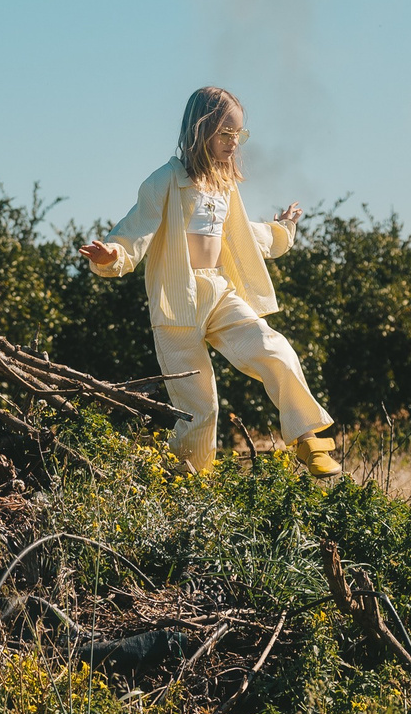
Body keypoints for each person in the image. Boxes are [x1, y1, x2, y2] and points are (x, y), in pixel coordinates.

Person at [78, 87, 341, 476]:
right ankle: (185, 486)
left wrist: (282, 229)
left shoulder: (225, 186)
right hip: (175, 304)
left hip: (219, 292)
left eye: (239, 135)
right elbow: (137, 229)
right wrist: (113, 254)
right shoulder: (164, 180)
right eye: (225, 134)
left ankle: (308, 440)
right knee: (201, 410)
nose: (234, 143)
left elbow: (243, 236)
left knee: (275, 349)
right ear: (199, 131)